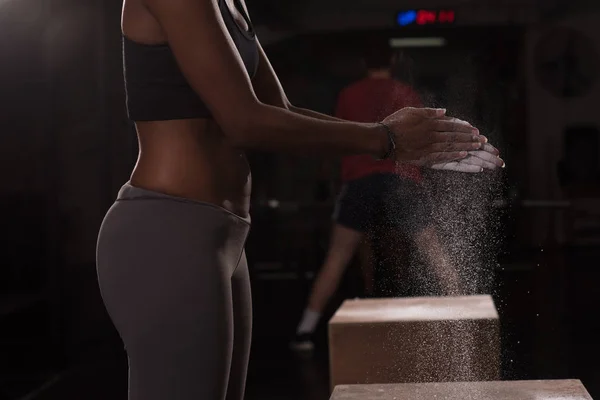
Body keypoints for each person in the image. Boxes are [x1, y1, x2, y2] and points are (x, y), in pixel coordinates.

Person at [95, 1, 504, 399]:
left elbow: (281, 110)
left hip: (225, 235)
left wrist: (401, 140)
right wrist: (386, 140)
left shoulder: (232, 4)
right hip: (168, 231)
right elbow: (244, 123)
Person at [289, 46, 491, 352]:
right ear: (394, 62)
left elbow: (338, 138)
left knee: (338, 256)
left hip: (360, 181)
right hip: (402, 179)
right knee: (434, 252)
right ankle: (467, 325)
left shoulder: (349, 94)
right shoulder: (406, 92)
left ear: (363, 63)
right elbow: (425, 141)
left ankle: (304, 331)